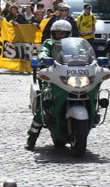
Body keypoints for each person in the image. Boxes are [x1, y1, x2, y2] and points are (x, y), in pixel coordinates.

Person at [26, 20, 73, 150]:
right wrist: (43, 57)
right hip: (53, 77)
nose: (59, 36)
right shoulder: (49, 43)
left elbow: (82, 53)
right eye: (57, 33)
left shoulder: (73, 44)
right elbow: (43, 51)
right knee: (44, 103)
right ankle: (32, 137)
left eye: (62, 33)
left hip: (70, 77)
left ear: (68, 33)